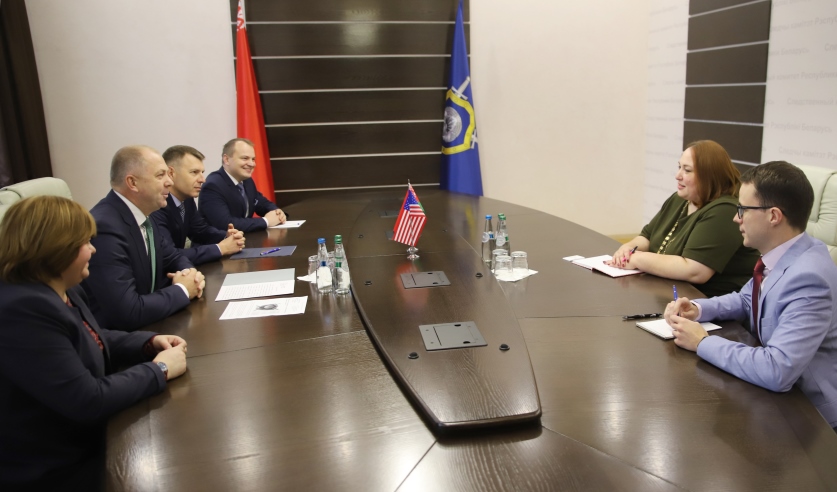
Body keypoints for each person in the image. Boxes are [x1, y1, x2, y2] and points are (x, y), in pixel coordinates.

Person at [0, 196, 188, 491]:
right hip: (55, 470)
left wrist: (148, 342)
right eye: (85, 242)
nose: (93, 249)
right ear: (56, 249)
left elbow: (89, 335)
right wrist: (159, 370)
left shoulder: (62, 287)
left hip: (88, 442)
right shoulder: (22, 310)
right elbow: (88, 399)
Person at [665, 162, 837, 432]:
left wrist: (702, 342)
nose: (737, 218)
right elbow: (747, 300)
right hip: (775, 397)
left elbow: (778, 370)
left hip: (810, 420)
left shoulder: (809, 279)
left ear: (773, 216)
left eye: (743, 209)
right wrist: (697, 309)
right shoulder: (782, 254)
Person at [610, 140, 759, 296]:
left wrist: (636, 259)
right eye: (679, 167)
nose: (677, 176)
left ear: (709, 176)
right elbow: (647, 236)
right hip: (671, 294)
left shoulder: (725, 210)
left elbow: (695, 271)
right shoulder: (679, 198)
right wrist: (628, 248)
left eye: (687, 170)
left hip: (709, 303)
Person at [82, 145, 205, 331]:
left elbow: (172, 256)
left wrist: (190, 275)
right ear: (133, 183)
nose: (169, 182)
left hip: (152, 325)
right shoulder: (105, 227)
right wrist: (183, 290)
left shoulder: (145, 215)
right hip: (120, 339)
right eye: (160, 175)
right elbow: (127, 311)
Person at [150, 145, 246, 265]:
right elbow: (168, 255)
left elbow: (200, 231)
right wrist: (221, 249)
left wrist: (226, 236)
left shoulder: (187, 200)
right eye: (194, 172)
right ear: (171, 173)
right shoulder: (156, 205)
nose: (202, 180)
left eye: (202, 172)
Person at [199, 138, 287, 232]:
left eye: (253, 159)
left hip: (245, 239)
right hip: (220, 241)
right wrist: (266, 221)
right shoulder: (213, 185)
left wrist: (276, 212)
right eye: (245, 158)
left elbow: (261, 203)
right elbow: (226, 224)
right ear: (226, 159)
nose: (251, 164)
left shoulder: (247, 181)